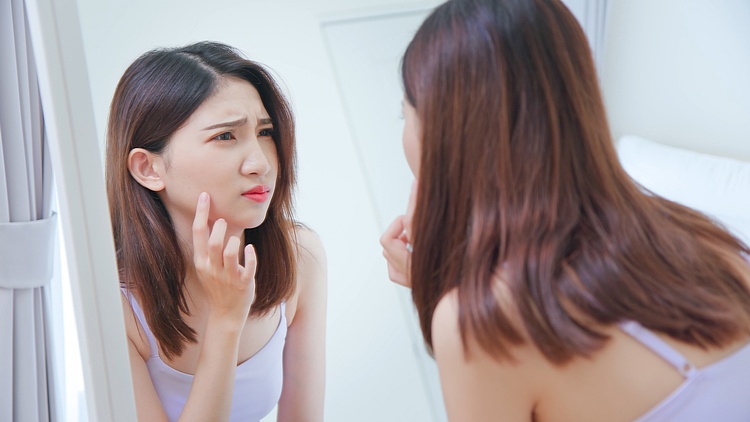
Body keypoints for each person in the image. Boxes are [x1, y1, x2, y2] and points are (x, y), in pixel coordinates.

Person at [380, 0, 750, 420]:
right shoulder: (708, 240)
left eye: (404, 114)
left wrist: (440, 287)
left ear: (446, 135)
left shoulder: (480, 323)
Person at [106, 41, 326, 422]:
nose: (261, 163)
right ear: (148, 169)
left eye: (265, 132)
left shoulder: (300, 257)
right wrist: (226, 320)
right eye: (225, 136)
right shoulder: (115, 306)